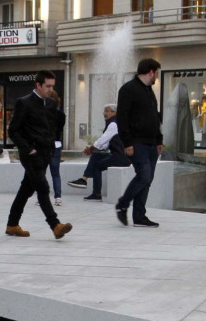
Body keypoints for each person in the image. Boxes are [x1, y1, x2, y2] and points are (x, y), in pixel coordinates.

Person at [5, 70, 72, 240]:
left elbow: (53, 128)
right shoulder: (24, 103)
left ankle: (12, 224)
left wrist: (51, 147)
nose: (51, 89)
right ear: (38, 85)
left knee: (26, 190)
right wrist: (27, 148)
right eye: (47, 86)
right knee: (42, 187)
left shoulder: (50, 104)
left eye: (52, 86)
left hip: (45, 153)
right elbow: (13, 130)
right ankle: (55, 225)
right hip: (31, 154)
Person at [115, 58, 164, 228]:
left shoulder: (149, 91)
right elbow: (122, 118)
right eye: (156, 73)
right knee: (143, 175)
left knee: (147, 179)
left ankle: (139, 216)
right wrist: (127, 142)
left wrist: (159, 139)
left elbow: (155, 117)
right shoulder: (128, 90)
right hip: (137, 142)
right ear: (150, 72)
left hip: (151, 143)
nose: (156, 77)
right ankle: (122, 204)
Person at [66, 103, 128, 200]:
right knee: (96, 155)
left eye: (107, 111)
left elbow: (103, 140)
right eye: (104, 111)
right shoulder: (116, 122)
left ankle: (96, 193)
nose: (104, 113)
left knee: (97, 166)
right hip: (119, 155)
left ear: (114, 112)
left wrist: (91, 148)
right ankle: (84, 179)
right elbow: (105, 145)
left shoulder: (113, 124)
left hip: (121, 157)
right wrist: (93, 149)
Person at [47, 89, 66, 207]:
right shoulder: (61, 114)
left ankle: (41, 197)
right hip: (57, 143)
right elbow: (61, 127)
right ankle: (58, 197)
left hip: (45, 144)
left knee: (41, 172)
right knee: (55, 173)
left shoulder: (44, 112)